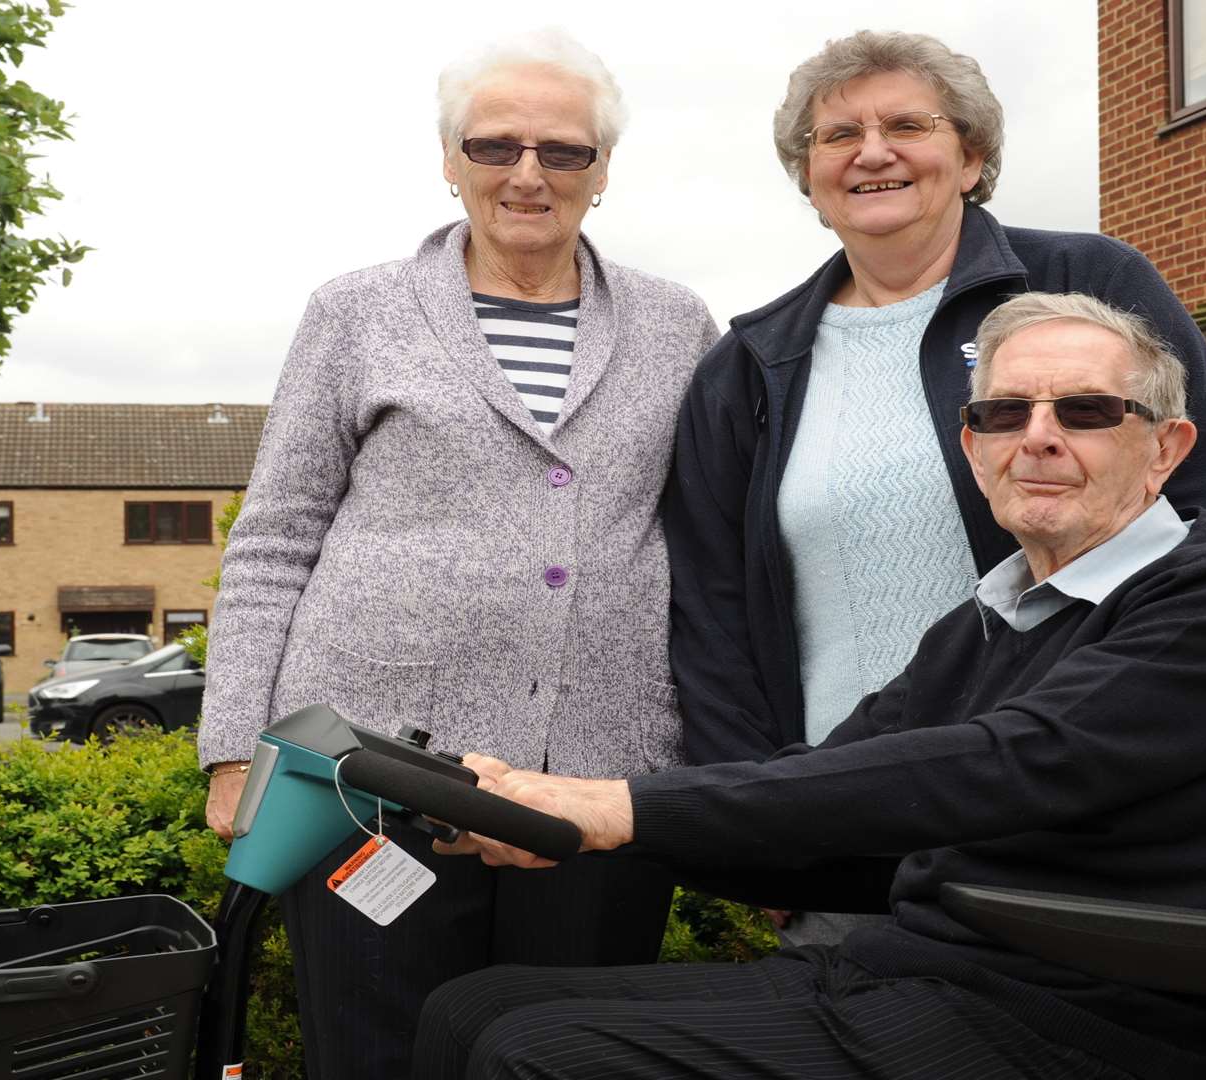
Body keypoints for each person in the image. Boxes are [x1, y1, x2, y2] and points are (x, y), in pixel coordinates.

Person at [417, 292, 1206, 1080]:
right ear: (974, 448)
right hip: (916, 982)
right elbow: (828, 804)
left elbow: (1013, 765)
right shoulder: (991, 618)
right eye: (1006, 413)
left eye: (1084, 411)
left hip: (1084, 1027)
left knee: (534, 1052)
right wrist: (561, 825)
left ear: (1165, 448)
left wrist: (616, 807)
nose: (1038, 438)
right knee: (473, 1006)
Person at [663, 31, 1206, 947]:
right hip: (855, 831)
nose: (873, 153)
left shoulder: (1085, 285)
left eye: (909, 123)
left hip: (1078, 817)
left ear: (973, 154)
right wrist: (762, 814)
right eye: (837, 135)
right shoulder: (749, 365)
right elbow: (709, 613)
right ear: (807, 171)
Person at [195, 29, 720, 1078]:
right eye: (495, 146)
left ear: (603, 172)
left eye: (563, 151)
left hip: (595, 778)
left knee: (570, 1052)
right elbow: (275, 537)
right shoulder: (356, 312)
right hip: (368, 775)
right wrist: (231, 751)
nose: (528, 173)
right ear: (448, 159)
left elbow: (709, 546)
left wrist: (692, 762)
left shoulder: (677, 324)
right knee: (379, 1052)